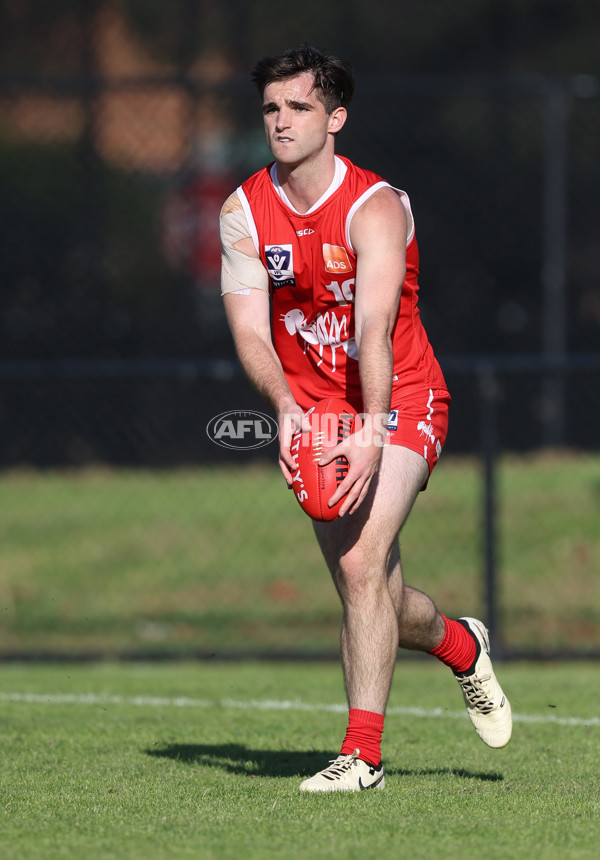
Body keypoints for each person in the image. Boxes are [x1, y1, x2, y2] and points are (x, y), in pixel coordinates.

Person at [219, 45, 512, 792]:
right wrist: (287, 408)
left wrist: (373, 429)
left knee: (359, 565)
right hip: (314, 407)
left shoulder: (374, 207)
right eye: (271, 109)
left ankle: (364, 758)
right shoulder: (243, 211)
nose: (280, 122)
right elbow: (251, 331)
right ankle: (456, 642)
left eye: (299, 107)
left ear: (336, 117)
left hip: (403, 396)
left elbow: (372, 329)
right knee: (370, 589)